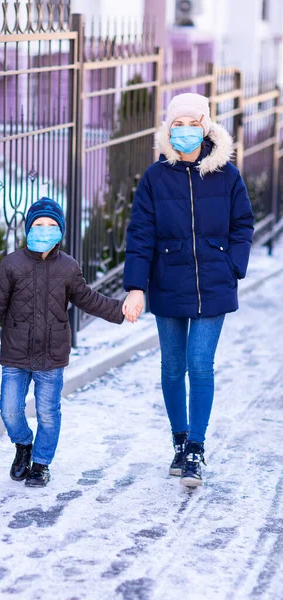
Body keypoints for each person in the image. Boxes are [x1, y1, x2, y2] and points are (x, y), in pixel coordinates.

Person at [122, 93, 254, 487]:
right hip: (168, 283)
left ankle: (196, 447)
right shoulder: (154, 177)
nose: (183, 132)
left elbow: (243, 224)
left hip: (214, 284)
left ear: (205, 125)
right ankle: (179, 440)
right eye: (175, 125)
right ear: (168, 129)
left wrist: (233, 265)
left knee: (199, 363)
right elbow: (140, 234)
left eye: (190, 124)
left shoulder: (227, 175)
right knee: (171, 366)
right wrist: (136, 287)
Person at [0, 198, 124, 487]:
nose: (44, 230)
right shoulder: (12, 264)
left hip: (51, 356)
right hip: (16, 353)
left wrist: (119, 310)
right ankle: (23, 445)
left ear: (61, 232)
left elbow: (88, 299)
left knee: (48, 413)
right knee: (9, 409)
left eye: (51, 225)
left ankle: (41, 463)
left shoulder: (68, 267)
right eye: (38, 225)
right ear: (28, 228)